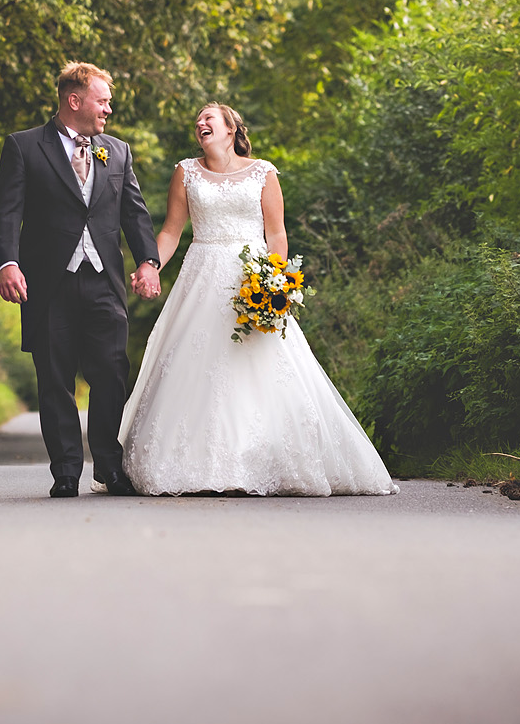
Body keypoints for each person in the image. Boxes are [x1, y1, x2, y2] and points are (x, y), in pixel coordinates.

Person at [117, 103, 396, 496]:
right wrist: (150, 267)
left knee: (258, 364)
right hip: (201, 276)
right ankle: (199, 463)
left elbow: (276, 236)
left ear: (231, 129)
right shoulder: (186, 172)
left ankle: (263, 459)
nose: (200, 123)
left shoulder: (263, 172)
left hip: (251, 277)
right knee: (198, 365)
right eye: (198, 120)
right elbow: (171, 233)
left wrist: (273, 286)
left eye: (209, 118)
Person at [0, 62, 162, 498]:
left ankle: (108, 465)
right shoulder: (25, 146)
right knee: (54, 377)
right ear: (75, 100)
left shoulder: (117, 151)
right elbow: (7, 211)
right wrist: (7, 263)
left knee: (111, 372)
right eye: (102, 100)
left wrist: (148, 261)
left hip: (104, 279)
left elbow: (134, 212)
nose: (108, 108)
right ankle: (65, 470)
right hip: (48, 282)